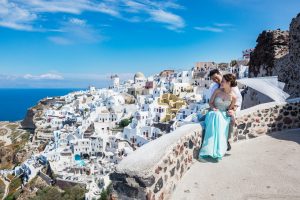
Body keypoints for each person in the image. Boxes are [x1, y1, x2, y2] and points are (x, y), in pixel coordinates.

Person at [199, 74, 237, 160]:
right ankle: (208, 150)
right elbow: (210, 103)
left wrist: (232, 112)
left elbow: (230, 109)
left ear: (229, 83)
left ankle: (218, 151)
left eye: (223, 81)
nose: (221, 82)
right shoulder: (217, 91)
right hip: (213, 112)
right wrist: (213, 108)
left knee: (220, 120)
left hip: (223, 115)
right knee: (216, 115)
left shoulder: (234, 97)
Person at [208, 69, 242, 150]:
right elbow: (211, 101)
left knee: (228, 121)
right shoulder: (215, 88)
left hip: (228, 109)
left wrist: (233, 110)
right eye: (213, 79)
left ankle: (225, 141)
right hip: (216, 110)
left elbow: (238, 99)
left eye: (216, 77)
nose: (215, 80)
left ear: (220, 74)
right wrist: (213, 108)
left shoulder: (232, 87)